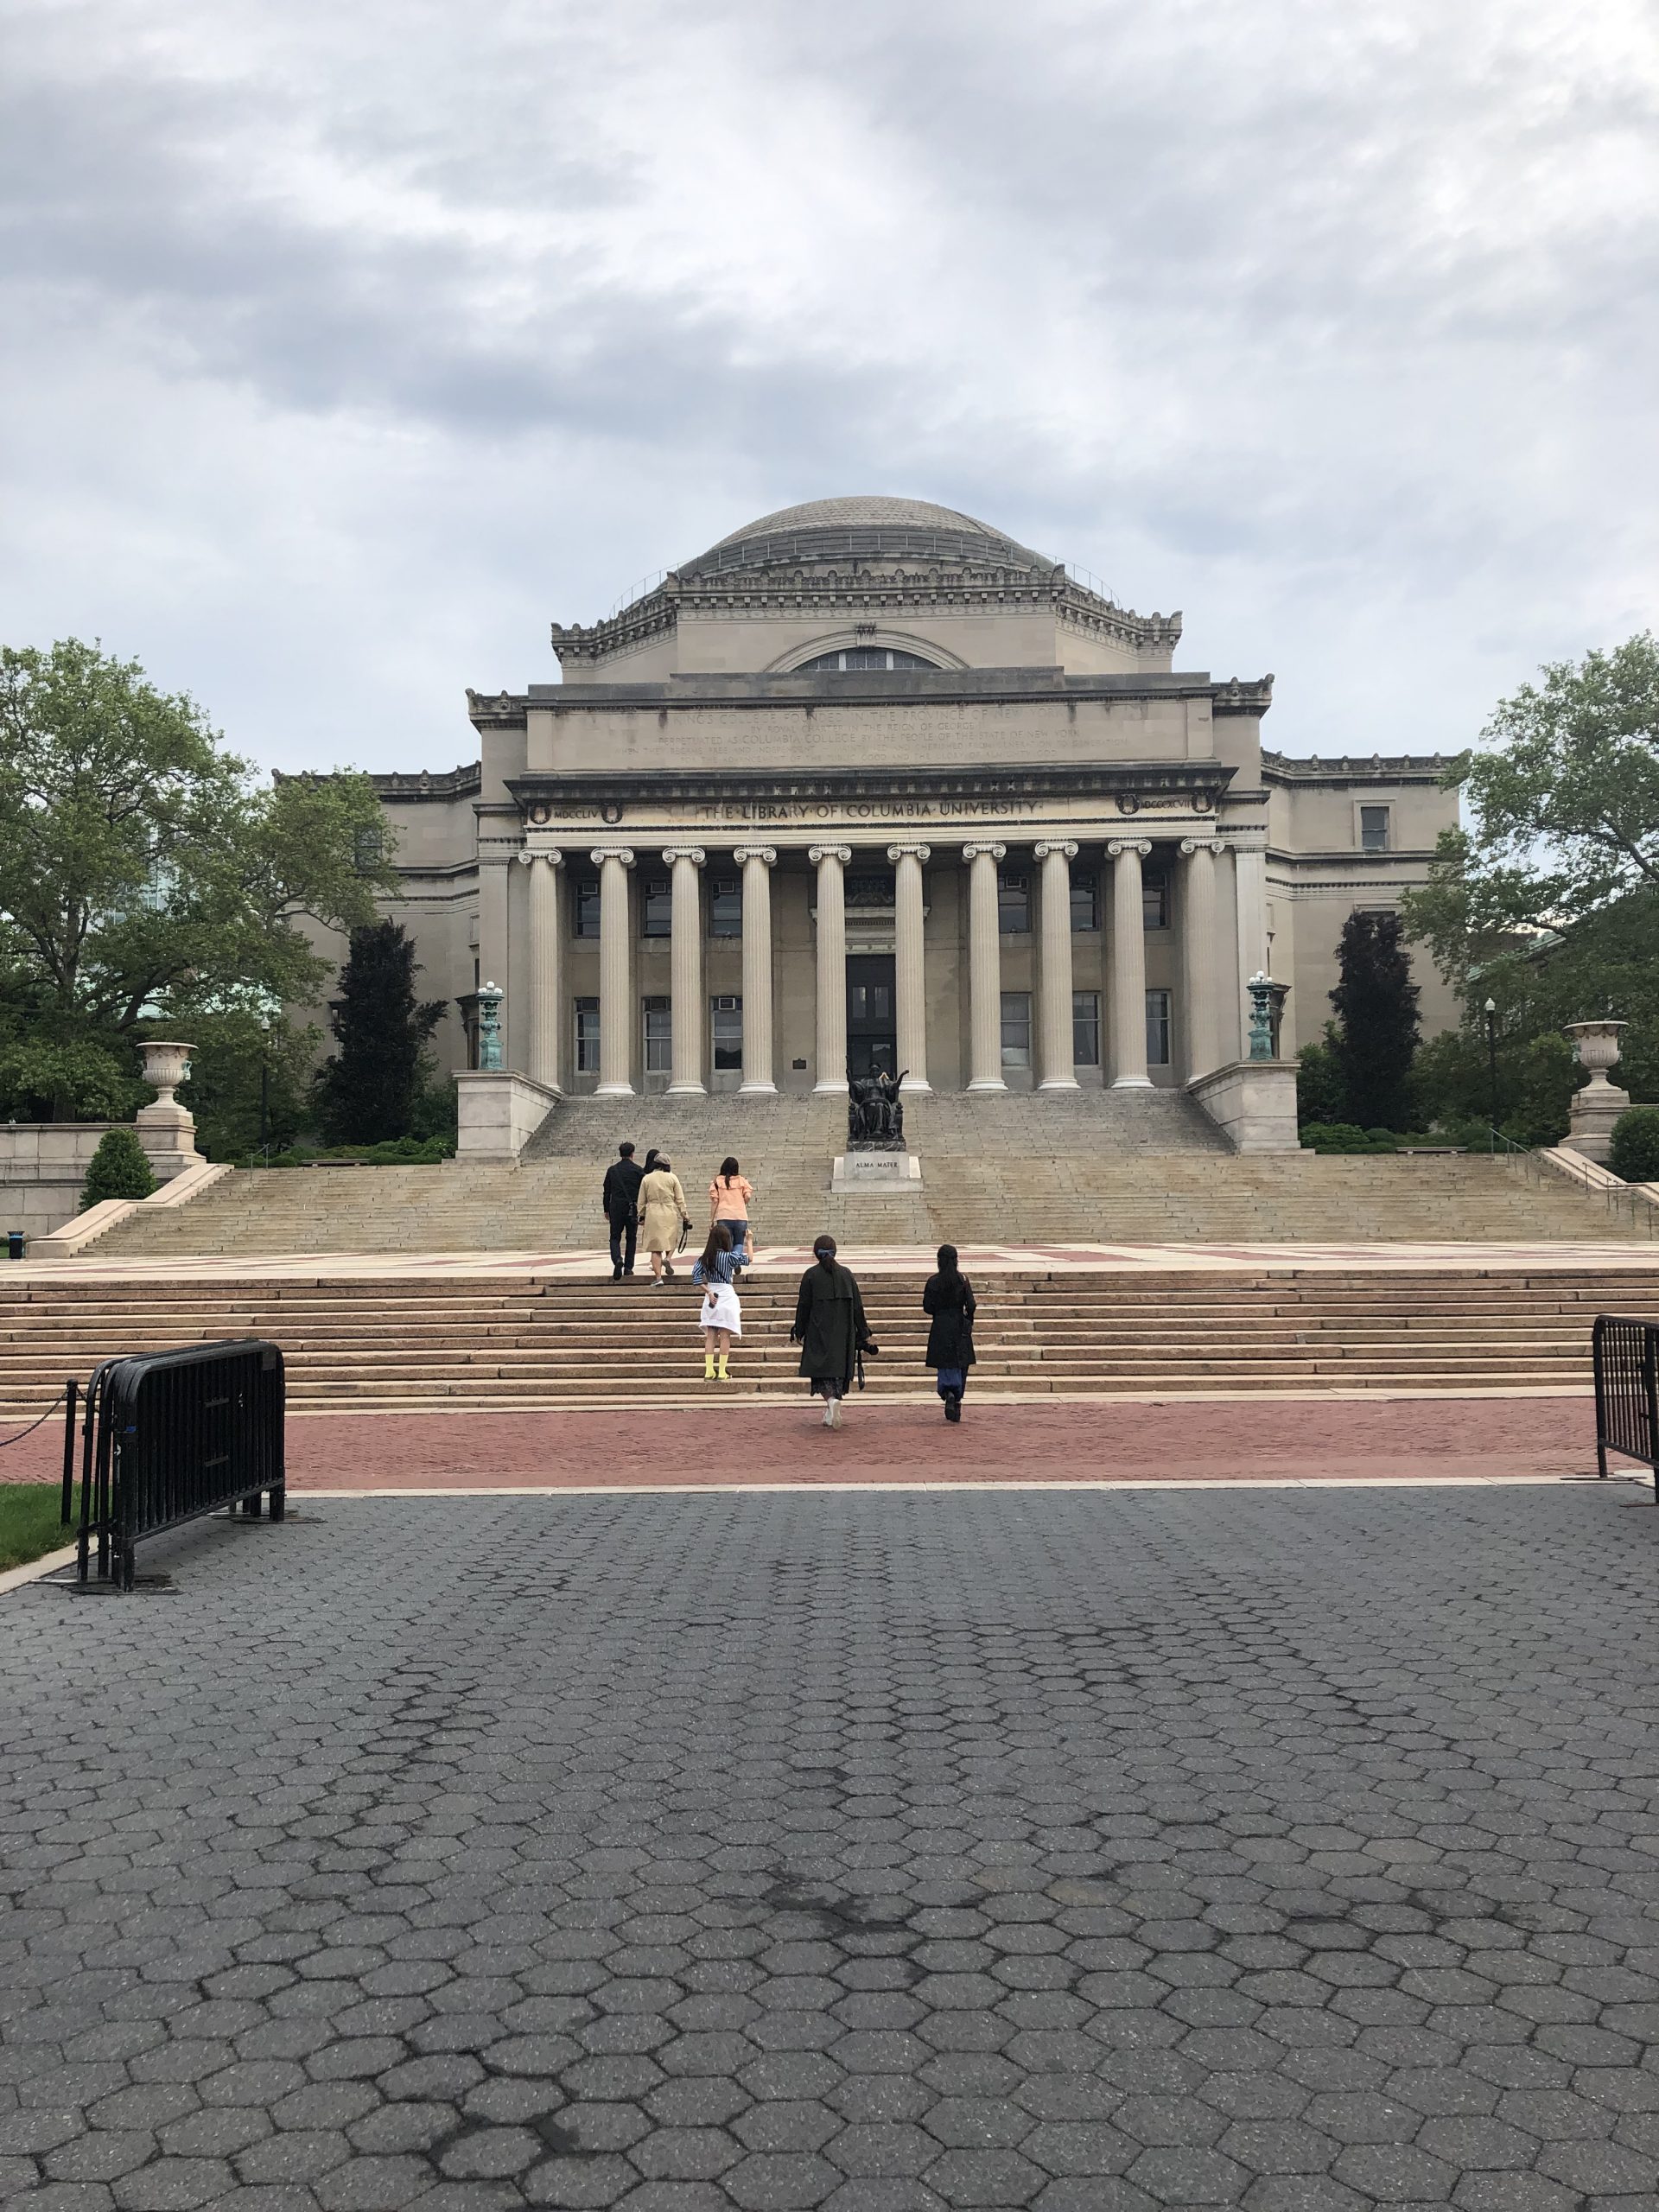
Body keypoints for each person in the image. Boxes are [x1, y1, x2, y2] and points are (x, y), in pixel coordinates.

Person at [790, 1233, 871, 1429]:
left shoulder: (811, 1275)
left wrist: (798, 1330)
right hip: (844, 1333)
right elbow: (857, 1306)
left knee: (820, 1371)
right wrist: (864, 1331)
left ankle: (831, 1402)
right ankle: (831, 1408)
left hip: (819, 1331)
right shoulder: (847, 1274)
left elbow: (804, 1306)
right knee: (838, 1372)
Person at [923, 1243, 976, 1422]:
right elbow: (972, 1304)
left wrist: (939, 1312)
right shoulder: (963, 1280)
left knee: (944, 1363)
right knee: (961, 1361)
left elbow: (927, 1307)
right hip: (959, 1324)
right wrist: (968, 1319)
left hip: (941, 1325)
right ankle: (958, 1398)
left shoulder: (933, 1281)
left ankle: (947, 1392)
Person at [694, 1223, 741, 1382]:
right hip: (727, 1296)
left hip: (712, 1297)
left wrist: (708, 1291)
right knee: (725, 1336)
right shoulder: (729, 1257)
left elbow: (696, 1278)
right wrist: (748, 1240)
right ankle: (721, 1371)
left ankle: (708, 1371)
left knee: (711, 1336)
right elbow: (749, 1259)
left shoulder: (705, 1258)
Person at [638, 1155, 691, 1286]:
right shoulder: (672, 1178)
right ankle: (667, 1258)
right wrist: (685, 1215)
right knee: (671, 1240)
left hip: (653, 1213)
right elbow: (680, 1199)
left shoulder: (647, 1178)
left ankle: (658, 1278)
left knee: (655, 1248)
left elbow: (641, 1201)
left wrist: (641, 1215)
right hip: (669, 1211)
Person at [601, 1141, 645, 1281]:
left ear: (620, 1154)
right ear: (633, 1154)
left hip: (616, 1208)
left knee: (615, 1236)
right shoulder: (638, 1170)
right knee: (631, 1237)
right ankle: (628, 1267)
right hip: (632, 1208)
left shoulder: (612, 1170)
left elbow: (606, 1191)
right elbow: (643, 1192)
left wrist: (606, 1209)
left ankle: (617, 1259)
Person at [709, 1156, 755, 1274]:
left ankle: (729, 1264)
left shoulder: (717, 1182)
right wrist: (743, 1201)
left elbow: (715, 1201)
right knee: (739, 1242)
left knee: (726, 1243)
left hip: (723, 1216)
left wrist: (711, 1220)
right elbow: (748, 1196)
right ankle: (737, 1261)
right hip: (740, 1216)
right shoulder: (742, 1180)